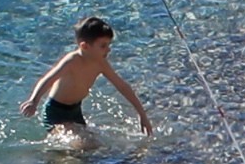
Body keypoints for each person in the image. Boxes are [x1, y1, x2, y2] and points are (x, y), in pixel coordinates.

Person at [19, 16, 153, 146]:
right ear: (84, 46)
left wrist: (142, 115)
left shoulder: (101, 63)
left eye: (109, 44)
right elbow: (48, 79)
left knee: (93, 145)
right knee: (79, 145)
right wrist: (34, 101)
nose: (108, 49)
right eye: (103, 46)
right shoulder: (71, 61)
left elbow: (122, 86)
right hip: (55, 111)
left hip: (75, 111)